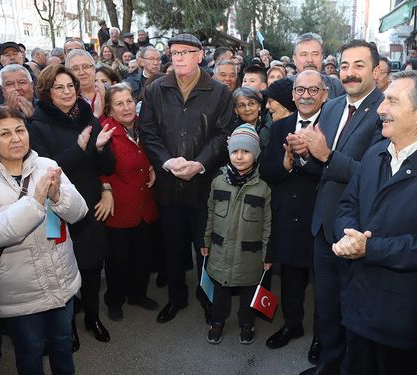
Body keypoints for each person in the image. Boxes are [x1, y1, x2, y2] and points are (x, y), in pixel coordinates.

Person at [332, 70, 417, 375]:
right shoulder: (375, 154)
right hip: (357, 301)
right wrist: (347, 236)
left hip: (402, 316)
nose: (381, 109)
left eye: (392, 101)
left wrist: (371, 249)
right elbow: (347, 205)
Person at [0, 106, 88, 375]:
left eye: (20, 130)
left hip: (60, 277)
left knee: (63, 344)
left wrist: (58, 197)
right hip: (20, 290)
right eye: (5, 133)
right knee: (30, 350)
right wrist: (35, 201)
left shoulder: (47, 165)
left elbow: (79, 213)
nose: (16, 138)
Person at [298, 39, 385, 375]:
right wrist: (303, 154)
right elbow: (322, 166)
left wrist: (326, 155)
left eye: (359, 66)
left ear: (376, 70)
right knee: (327, 304)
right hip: (323, 225)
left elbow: (372, 174)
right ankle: (329, 364)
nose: (350, 73)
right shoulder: (332, 106)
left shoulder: (383, 111)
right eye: (345, 66)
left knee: (353, 307)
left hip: (356, 228)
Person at [138, 33, 233, 324]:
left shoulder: (219, 92)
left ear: (200, 55)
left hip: (204, 186)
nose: (178, 57)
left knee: (205, 247)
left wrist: (199, 164)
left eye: (185, 52)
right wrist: (167, 161)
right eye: (174, 52)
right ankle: (176, 298)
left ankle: (207, 299)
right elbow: (148, 132)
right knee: (172, 246)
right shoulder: (156, 90)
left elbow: (223, 134)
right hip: (168, 185)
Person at [28, 64, 116, 344]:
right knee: (63, 269)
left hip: (89, 203)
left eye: (70, 86)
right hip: (57, 208)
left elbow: (108, 165)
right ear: (47, 91)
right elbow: (50, 171)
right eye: (59, 87)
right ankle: (69, 329)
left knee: (91, 266)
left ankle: (92, 317)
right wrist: (81, 148)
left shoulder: (88, 116)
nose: (67, 92)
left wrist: (99, 150)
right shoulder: (38, 124)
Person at [260, 69, 327, 364]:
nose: (306, 96)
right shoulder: (280, 127)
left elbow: (333, 170)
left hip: (321, 215)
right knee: (290, 277)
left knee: (324, 283)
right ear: (293, 95)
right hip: (288, 214)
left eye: (313, 90)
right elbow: (267, 172)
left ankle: (322, 338)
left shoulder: (333, 126)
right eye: (300, 90)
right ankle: (292, 325)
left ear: (324, 94)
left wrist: (304, 158)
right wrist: (287, 163)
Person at [201, 124, 272, 345]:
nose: (239, 157)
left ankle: (246, 323)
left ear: (256, 154)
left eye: (246, 151)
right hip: (220, 252)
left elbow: (268, 223)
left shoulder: (263, 188)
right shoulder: (218, 181)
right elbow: (210, 213)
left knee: (248, 294)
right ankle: (217, 321)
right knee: (220, 292)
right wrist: (206, 241)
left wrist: (267, 254)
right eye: (235, 151)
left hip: (250, 256)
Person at [99, 83, 159, 321]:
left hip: (146, 204)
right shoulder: (105, 132)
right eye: (119, 103)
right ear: (109, 109)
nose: (126, 108)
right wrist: (105, 188)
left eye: (129, 101)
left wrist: (153, 164)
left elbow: (154, 151)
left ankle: (138, 295)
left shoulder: (144, 126)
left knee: (143, 256)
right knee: (118, 260)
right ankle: (114, 300)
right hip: (119, 207)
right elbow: (98, 166)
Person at [291, 33, 345, 99]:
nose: (310, 60)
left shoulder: (336, 87)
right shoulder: (282, 88)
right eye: (304, 55)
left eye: (315, 54)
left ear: (322, 57)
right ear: (294, 59)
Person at [232, 86, 270, 159]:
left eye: (251, 103)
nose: (247, 109)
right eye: (241, 105)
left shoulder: (269, 127)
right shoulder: (232, 131)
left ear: (259, 106)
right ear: (236, 110)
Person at [65, 49, 105, 117]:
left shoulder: (109, 93)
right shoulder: (65, 99)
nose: (82, 72)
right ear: (68, 73)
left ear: (94, 69)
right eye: (75, 69)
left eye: (86, 67)